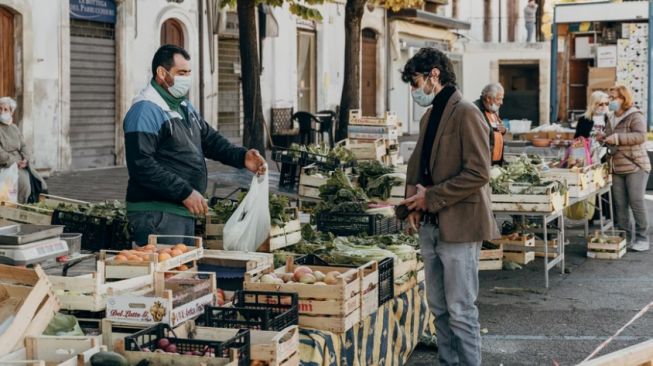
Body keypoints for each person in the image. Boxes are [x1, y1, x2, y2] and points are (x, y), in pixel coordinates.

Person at [399, 48, 500, 366]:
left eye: (415, 82)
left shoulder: (467, 112)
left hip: (459, 225)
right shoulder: (430, 115)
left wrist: (430, 198)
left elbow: (478, 172)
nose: (414, 91)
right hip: (430, 225)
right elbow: (419, 166)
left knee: (460, 310)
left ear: (434, 75)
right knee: (439, 309)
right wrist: (412, 206)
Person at [123, 45, 266, 245]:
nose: (187, 78)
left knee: (182, 272)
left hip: (182, 210)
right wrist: (185, 192)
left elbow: (210, 140)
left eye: (189, 73)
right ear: (162, 73)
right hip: (157, 213)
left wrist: (241, 157)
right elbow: (141, 165)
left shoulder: (183, 105)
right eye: (181, 73)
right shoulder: (145, 110)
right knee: (168, 273)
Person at [601, 85, 650, 251]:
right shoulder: (610, 117)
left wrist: (617, 138)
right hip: (616, 166)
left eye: (614, 97)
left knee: (636, 201)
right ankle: (624, 237)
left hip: (635, 165)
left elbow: (640, 136)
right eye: (610, 98)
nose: (611, 101)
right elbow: (609, 140)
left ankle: (643, 238)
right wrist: (603, 138)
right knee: (619, 204)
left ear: (624, 99)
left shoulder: (634, 115)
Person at [0, 97, 47, 203]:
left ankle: (33, 208)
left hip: (22, 163)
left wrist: (26, 159)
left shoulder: (14, 128)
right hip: (6, 164)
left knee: (40, 183)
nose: (2, 112)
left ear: (11, 112)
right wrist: (15, 162)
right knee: (24, 184)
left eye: (5, 109)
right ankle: (20, 211)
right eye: (0, 109)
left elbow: (24, 146)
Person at [473, 83, 506, 165]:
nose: (501, 102)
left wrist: (503, 130)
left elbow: (494, 129)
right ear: (488, 98)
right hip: (483, 162)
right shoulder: (475, 110)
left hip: (496, 161)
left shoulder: (491, 108)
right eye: (498, 99)